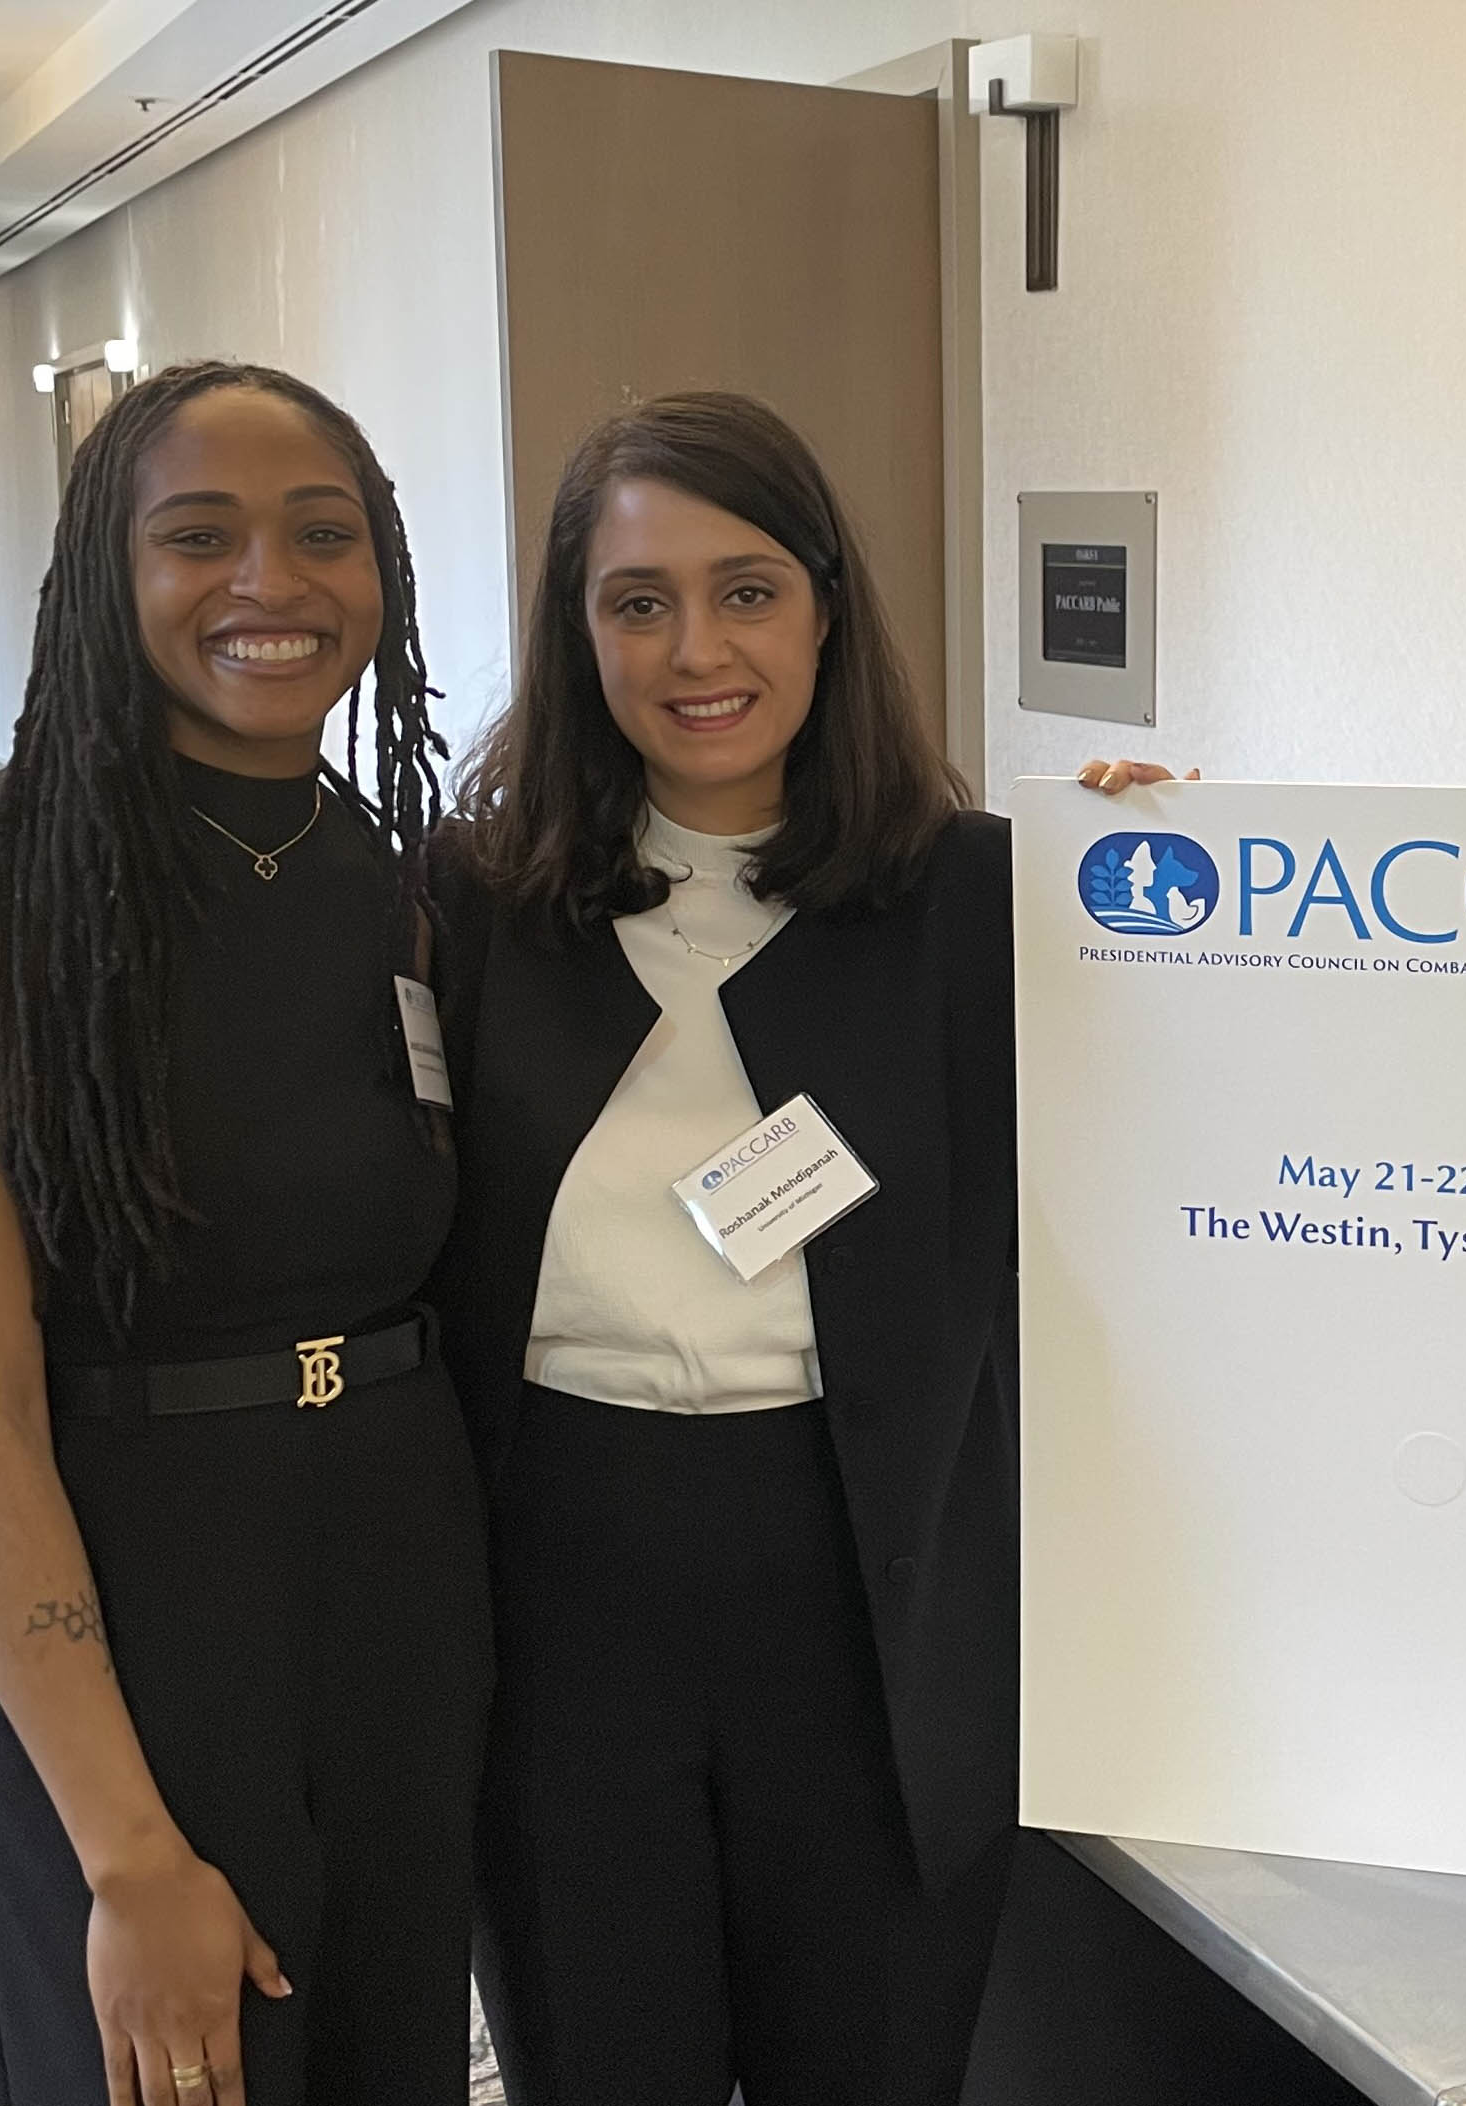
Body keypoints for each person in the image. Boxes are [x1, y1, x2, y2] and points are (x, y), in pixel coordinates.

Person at [0, 360, 484, 2106]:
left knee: (379, 2058)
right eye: (200, 536)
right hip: (132, 1578)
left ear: (385, 574)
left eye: (321, 535)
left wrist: (1128, 851)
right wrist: (123, 1850)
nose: (269, 583)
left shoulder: (406, 873)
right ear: (103, 578)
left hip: (404, 1567)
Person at [427, 390, 1012, 2106]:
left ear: (828, 604)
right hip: (563, 1577)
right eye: (637, 600)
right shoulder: (474, 905)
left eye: (747, 589)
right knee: (604, 2060)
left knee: (873, 2064)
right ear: (576, 627)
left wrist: (1168, 864)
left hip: (870, 1586)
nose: (698, 648)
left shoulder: (976, 906)